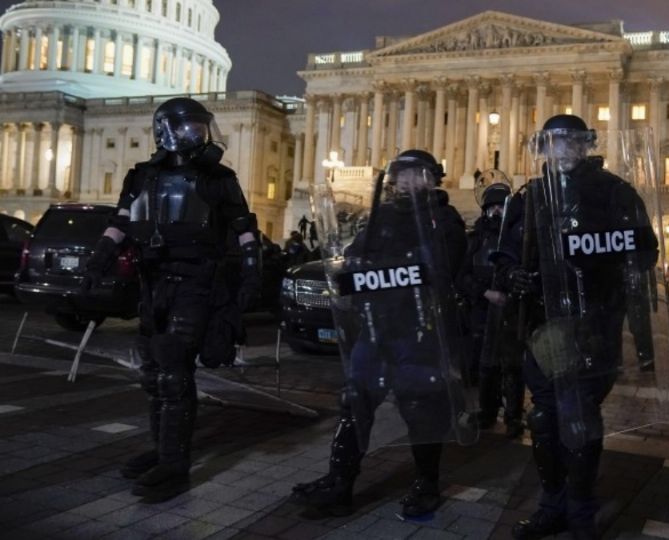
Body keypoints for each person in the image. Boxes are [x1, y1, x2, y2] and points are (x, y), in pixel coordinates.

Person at [82, 97, 261, 498]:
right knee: (153, 373)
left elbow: (245, 228)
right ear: (167, 130)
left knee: (175, 369)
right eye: (190, 127)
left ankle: (175, 465)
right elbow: (121, 223)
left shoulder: (219, 178)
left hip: (195, 283)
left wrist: (251, 277)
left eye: (202, 126)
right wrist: (97, 263)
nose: (199, 134)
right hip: (154, 283)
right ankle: (160, 450)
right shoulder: (142, 176)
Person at [494, 115, 658, 539]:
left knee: (580, 418)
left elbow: (643, 252)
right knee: (545, 418)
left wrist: (602, 267)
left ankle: (580, 510)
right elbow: (505, 253)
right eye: (553, 143)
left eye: (570, 142)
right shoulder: (528, 196)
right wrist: (513, 274)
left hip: (594, 324)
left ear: (585, 146)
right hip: (543, 327)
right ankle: (553, 503)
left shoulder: (615, 193)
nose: (562, 150)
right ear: (542, 151)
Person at [289, 149, 468, 519]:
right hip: (377, 328)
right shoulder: (381, 217)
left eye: (416, 175)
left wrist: (385, 272)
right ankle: (340, 482)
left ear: (433, 179)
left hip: (419, 332)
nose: (407, 182)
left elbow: (440, 269)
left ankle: (426, 484)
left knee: (420, 408)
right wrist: (349, 272)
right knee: (354, 403)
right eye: (401, 176)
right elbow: (354, 258)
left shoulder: (443, 219)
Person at [457, 181, 525, 438]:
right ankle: (487, 412)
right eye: (492, 207)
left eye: (501, 207)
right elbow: (461, 277)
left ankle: (513, 416)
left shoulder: (518, 238)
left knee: (512, 366)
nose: (496, 212)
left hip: (510, 312)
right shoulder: (476, 239)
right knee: (486, 365)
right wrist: (485, 292)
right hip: (483, 310)